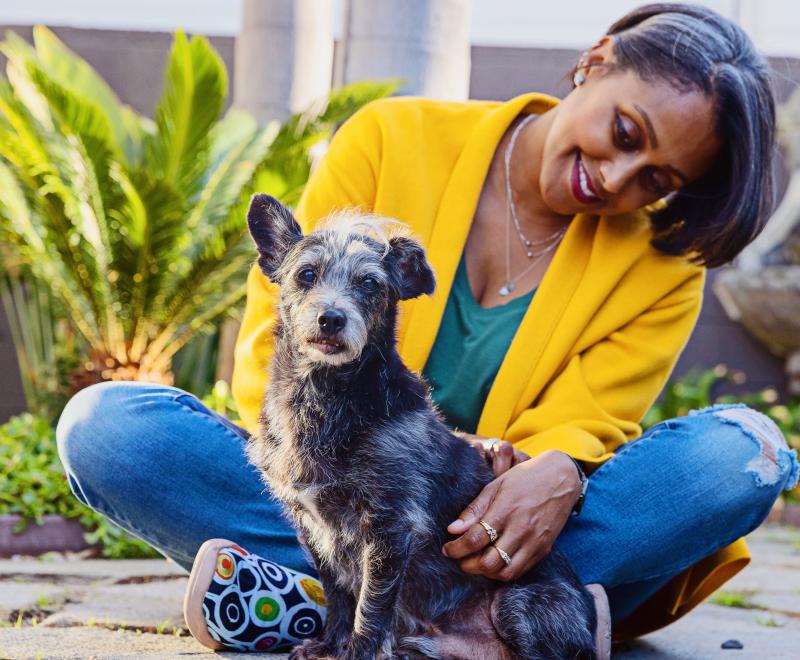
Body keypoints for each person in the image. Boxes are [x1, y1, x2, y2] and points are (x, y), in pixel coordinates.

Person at [56, 3, 799, 656]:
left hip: (495, 545)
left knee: (742, 454)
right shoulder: (390, 136)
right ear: (595, 59)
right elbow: (275, 350)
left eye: (656, 180)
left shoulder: (660, 269)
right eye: (624, 132)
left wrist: (557, 469)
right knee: (108, 429)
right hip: (339, 493)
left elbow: (587, 425)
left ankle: (340, 608)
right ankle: (434, 624)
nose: (616, 177)